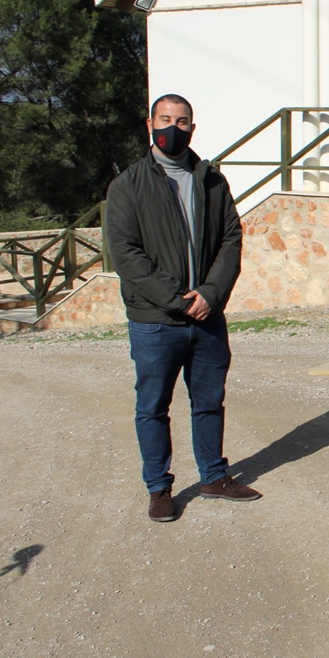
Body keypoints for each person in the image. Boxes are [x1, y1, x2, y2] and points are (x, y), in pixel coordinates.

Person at [106, 93, 261, 523]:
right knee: (153, 406)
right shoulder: (127, 186)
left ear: (193, 127)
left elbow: (231, 238)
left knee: (209, 401)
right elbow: (126, 254)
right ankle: (159, 488)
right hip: (156, 322)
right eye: (165, 119)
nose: (173, 127)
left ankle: (214, 475)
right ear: (149, 124)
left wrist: (211, 294)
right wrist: (178, 300)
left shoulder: (212, 180)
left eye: (182, 120)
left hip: (208, 316)